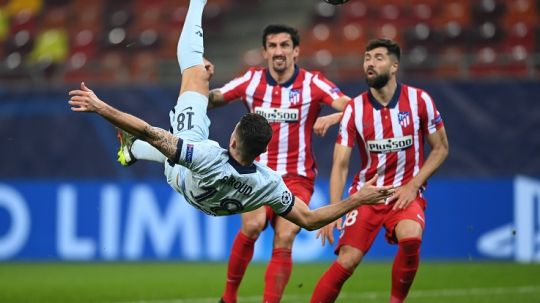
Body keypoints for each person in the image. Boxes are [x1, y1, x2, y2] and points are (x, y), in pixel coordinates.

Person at [68, 0, 393, 245]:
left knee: (193, 74)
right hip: (205, 199)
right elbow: (308, 220)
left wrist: (100, 106)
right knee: (159, 145)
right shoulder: (268, 182)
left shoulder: (208, 154)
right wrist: (358, 199)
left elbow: (150, 131)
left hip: (188, 173)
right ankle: (133, 152)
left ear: (233, 141)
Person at [119, 23, 350, 303]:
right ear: (264, 52)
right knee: (252, 227)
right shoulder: (251, 81)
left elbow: (354, 107)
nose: (279, 51)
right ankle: (228, 298)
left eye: (285, 45)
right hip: (255, 174)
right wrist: (202, 81)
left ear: (296, 50)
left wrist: (333, 117)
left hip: (297, 175)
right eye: (273, 46)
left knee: (286, 235)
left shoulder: (314, 83)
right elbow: (214, 99)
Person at [310, 39, 449, 303]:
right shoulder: (354, 110)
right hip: (367, 195)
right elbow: (340, 164)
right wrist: (334, 209)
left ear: (394, 65)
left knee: (411, 238)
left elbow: (441, 148)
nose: (370, 63)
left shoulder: (420, 101)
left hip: (405, 192)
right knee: (347, 261)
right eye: (367, 58)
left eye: (378, 58)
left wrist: (413, 184)